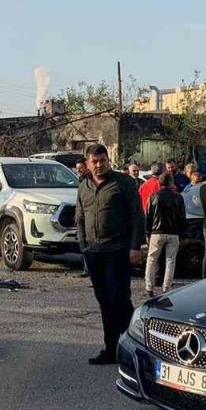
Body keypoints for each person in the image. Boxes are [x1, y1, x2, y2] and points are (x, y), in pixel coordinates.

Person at [77, 144, 144, 365]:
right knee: (104, 302)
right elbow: (80, 220)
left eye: (102, 160)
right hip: (94, 253)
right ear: (87, 164)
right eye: (94, 162)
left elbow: (137, 216)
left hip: (119, 250)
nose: (98, 165)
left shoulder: (123, 183)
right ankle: (111, 349)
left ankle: (135, 350)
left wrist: (135, 247)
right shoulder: (83, 187)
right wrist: (84, 247)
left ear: (108, 160)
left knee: (120, 300)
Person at [144, 172, 185, 296]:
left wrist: (147, 233)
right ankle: (166, 288)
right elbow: (182, 217)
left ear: (159, 182)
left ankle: (149, 287)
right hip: (173, 232)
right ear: (171, 182)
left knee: (151, 260)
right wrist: (183, 234)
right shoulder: (178, 197)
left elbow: (148, 216)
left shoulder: (153, 196)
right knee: (170, 260)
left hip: (156, 232)